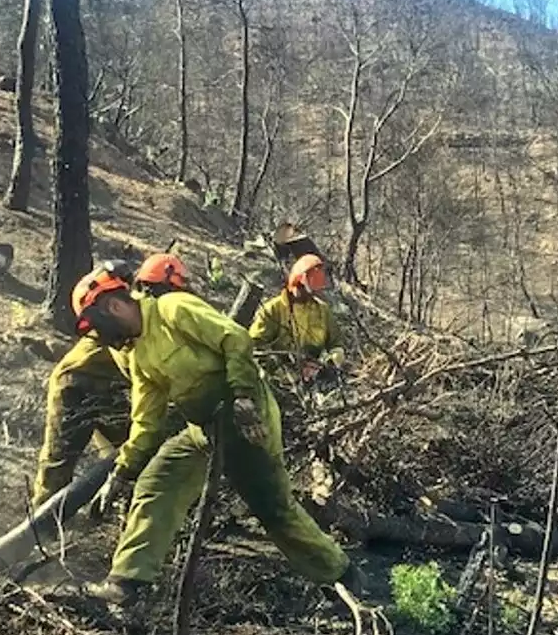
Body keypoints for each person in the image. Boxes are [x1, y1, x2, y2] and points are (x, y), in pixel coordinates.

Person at [73, 267, 360, 604]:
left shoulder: (172, 308)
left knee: (274, 510)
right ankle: (125, 584)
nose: (102, 338)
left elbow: (235, 338)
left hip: (246, 418)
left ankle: (343, 574)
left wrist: (241, 396)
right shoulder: (139, 353)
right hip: (204, 429)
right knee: (158, 482)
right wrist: (122, 473)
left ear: (112, 308)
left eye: (99, 328)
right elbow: (146, 421)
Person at [29, 255, 193, 509]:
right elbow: (136, 367)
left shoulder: (150, 312)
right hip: (75, 384)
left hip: (112, 388)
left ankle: (118, 511)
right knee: (58, 465)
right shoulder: (128, 317)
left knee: (139, 453)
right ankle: (41, 528)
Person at [250, 253, 346, 382]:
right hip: (279, 378)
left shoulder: (322, 310)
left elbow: (337, 345)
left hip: (314, 376)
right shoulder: (273, 309)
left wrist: (327, 365)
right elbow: (255, 347)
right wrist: (282, 373)